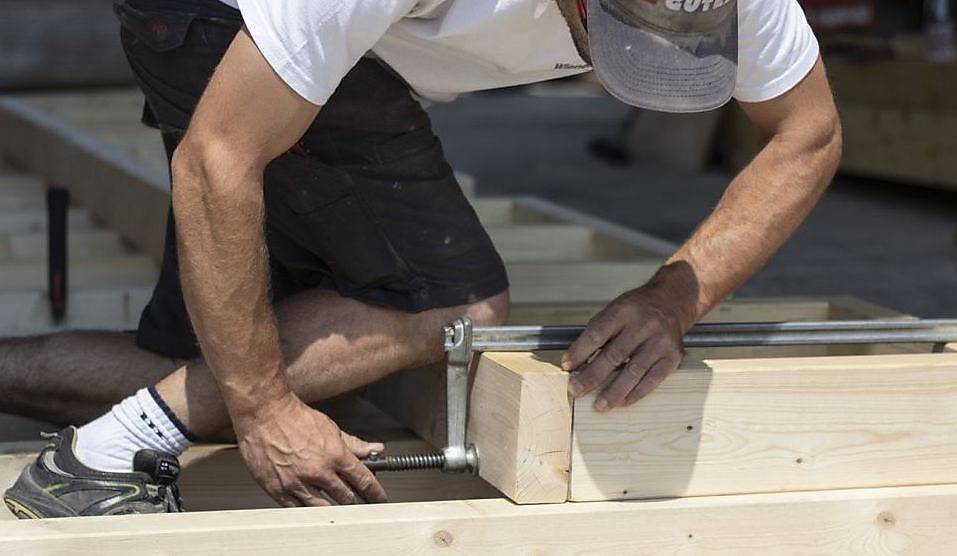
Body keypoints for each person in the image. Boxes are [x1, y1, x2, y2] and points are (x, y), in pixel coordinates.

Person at [2, 0, 841, 518]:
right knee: (447, 302)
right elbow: (216, 159)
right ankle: (103, 458)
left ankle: (130, 420)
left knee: (217, 359)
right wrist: (263, 413)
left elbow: (809, 132)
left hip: (340, 47)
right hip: (222, 17)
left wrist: (674, 298)